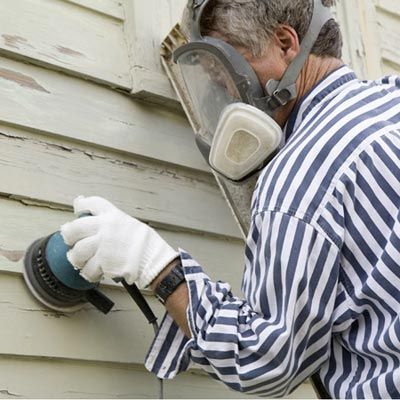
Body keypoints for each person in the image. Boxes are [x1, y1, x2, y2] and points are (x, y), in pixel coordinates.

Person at [60, 0, 400, 398]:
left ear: (286, 44)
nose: (225, 93)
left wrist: (155, 264)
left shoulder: (299, 176)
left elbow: (267, 360)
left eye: (223, 73)